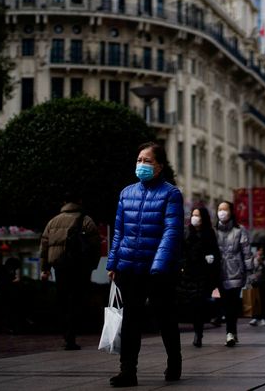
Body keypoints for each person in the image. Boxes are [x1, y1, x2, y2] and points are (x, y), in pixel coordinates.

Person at [106, 142, 184, 387]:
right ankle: (127, 371)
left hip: (158, 270)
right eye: (139, 160)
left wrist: (159, 265)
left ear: (159, 166)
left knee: (165, 318)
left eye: (147, 161)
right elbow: (119, 231)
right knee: (131, 320)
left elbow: (171, 231)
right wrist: (113, 262)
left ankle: (174, 362)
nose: (141, 165)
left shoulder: (171, 193)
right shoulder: (126, 193)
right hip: (129, 267)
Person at [39, 198, 101, 350]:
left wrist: (45, 268)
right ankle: (72, 334)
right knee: (77, 300)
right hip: (80, 266)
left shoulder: (52, 222)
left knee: (63, 300)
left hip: (60, 266)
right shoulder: (86, 220)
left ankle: (66, 334)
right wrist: (92, 265)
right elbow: (95, 245)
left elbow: (44, 246)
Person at [180, 206, 220, 348]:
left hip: (203, 275)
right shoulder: (186, 233)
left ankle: (198, 333)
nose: (195, 218)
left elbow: (215, 252)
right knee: (191, 304)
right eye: (193, 215)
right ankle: (198, 328)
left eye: (198, 215)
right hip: (188, 274)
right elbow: (182, 251)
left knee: (199, 304)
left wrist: (210, 259)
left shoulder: (209, 234)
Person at [216, 200, 253, 347]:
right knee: (225, 303)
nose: (222, 212)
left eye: (225, 209)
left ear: (231, 212)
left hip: (236, 272)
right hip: (219, 273)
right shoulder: (214, 231)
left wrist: (250, 271)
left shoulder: (239, 230)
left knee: (232, 304)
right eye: (219, 209)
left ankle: (230, 332)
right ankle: (231, 332)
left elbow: (247, 252)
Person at [249, 246, 265, 326]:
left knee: (263, 300)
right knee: (255, 300)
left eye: (262, 250)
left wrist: (261, 262)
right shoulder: (255, 259)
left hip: (264, 282)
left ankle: (262, 318)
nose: (260, 252)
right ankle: (255, 318)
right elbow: (252, 269)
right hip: (256, 282)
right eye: (259, 250)